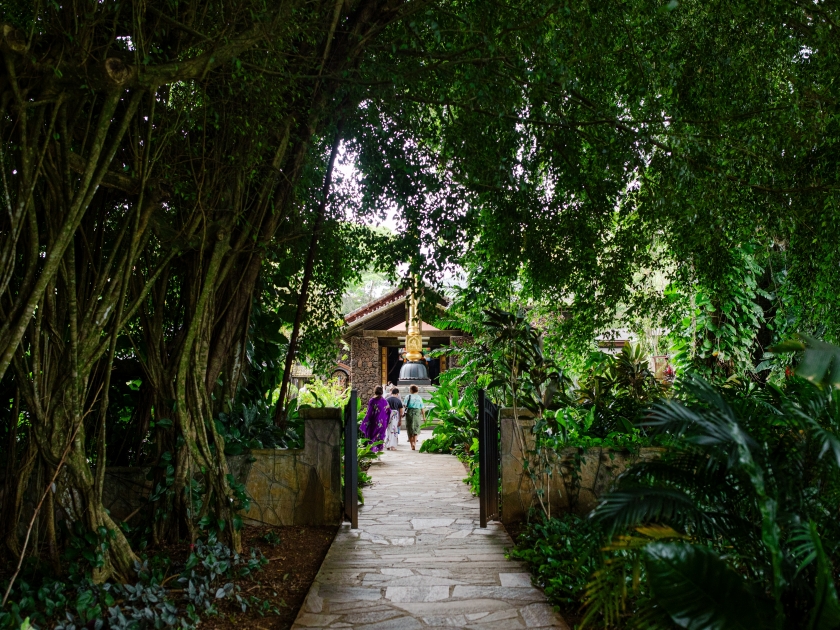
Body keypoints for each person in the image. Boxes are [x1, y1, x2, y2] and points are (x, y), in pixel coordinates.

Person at [360, 386, 389, 452]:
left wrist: (366, 420)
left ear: (375, 391)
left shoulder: (372, 400)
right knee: (380, 437)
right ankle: (379, 453)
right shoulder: (384, 401)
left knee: (371, 436)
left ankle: (370, 452)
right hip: (382, 423)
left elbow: (369, 412)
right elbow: (388, 411)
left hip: (374, 422)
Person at [404, 385, 426, 451]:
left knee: (409, 428)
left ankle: (412, 444)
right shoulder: (419, 398)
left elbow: (405, 406)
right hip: (417, 413)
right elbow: (422, 408)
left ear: (411, 390)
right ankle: (415, 443)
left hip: (409, 413)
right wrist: (424, 417)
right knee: (416, 427)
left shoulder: (408, 396)